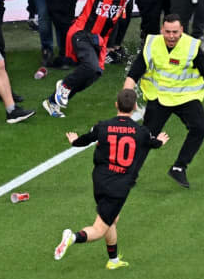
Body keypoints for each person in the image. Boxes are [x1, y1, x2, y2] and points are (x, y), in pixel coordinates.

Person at [42, 0, 180, 117]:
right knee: (90, 67)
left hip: (100, 41)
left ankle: (53, 101)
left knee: (92, 75)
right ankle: (64, 86)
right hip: (82, 33)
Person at [54, 89, 169, 269]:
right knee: (99, 229)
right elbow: (153, 144)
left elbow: (85, 140)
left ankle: (113, 260)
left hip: (100, 180)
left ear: (116, 104)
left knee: (111, 219)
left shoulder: (103, 126)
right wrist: (161, 140)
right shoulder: (141, 131)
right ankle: (73, 237)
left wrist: (74, 141)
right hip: (118, 186)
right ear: (134, 107)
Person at [123, 15, 204, 188]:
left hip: (186, 97)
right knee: (147, 136)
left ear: (182, 31)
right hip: (159, 97)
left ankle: (179, 167)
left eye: (175, 32)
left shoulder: (191, 46)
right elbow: (134, 74)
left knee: (200, 127)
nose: (171, 36)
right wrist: (126, 99)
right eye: (167, 32)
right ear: (162, 30)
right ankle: (129, 175)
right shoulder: (151, 44)